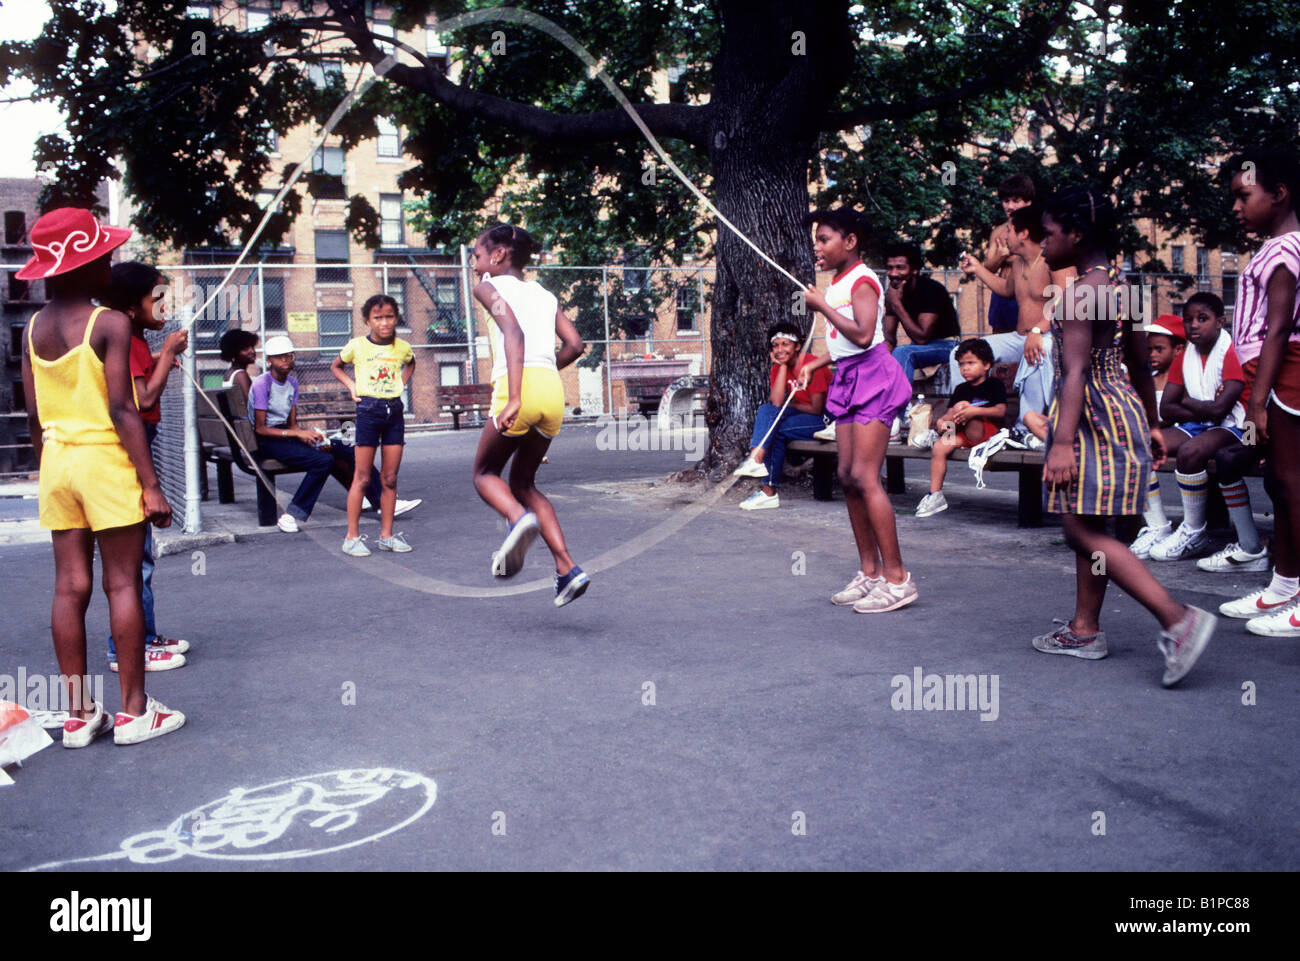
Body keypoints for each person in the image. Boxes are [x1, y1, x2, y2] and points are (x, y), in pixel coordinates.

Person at [18, 208, 185, 745]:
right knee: (122, 582)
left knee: (69, 586)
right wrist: (151, 483)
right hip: (104, 462)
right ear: (84, 267)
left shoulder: (33, 328)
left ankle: (78, 714)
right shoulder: (108, 323)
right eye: (103, 258)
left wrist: (52, 460)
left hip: (57, 461)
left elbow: (34, 416)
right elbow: (122, 408)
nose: (110, 267)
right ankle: (135, 712)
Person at [1036, 186, 1214, 687]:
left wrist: (1064, 442)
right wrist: (1153, 423)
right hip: (1124, 409)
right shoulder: (1125, 288)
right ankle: (1085, 629)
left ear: (1075, 234)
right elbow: (1139, 362)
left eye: (1048, 234)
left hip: (1089, 413)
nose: (1043, 244)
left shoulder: (1075, 296)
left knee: (1078, 529)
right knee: (1095, 525)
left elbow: (1074, 373)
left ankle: (1178, 619)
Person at [797, 207, 917, 613]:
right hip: (848, 375)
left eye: (825, 239)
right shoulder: (837, 283)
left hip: (873, 377)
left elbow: (866, 336)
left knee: (866, 477)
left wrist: (821, 308)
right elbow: (844, 345)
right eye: (816, 239)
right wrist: (815, 364)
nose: (818, 246)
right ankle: (871, 572)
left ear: (850, 241)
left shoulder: (862, 280)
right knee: (847, 476)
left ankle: (898, 578)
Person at [470, 223, 590, 606]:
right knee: (524, 482)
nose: (474, 264)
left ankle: (518, 519)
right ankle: (567, 568)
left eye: (477, 255)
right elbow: (575, 345)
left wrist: (516, 396)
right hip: (551, 390)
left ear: (498, 255)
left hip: (516, 385)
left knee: (485, 474)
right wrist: (542, 373)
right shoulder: (544, 294)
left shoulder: (488, 287)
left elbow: (513, 334)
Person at [1218, 147, 1300, 636]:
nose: (1236, 207)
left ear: (1279, 194)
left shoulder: (1286, 250)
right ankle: (1286, 582)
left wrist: (1256, 399)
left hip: (1283, 372)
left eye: (1243, 196)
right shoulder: (1275, 247)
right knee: (1278, 483)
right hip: (1268, 373)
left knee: (1292, 482)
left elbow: (1276, 329)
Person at [102, 261, 191, 673]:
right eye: (156, 298)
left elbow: (140, 375)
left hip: (140, 446)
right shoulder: (129, 341)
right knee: (137, 557)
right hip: (135, 452)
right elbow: (145, 399)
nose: (163, 305)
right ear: (132, 307)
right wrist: (168, 353)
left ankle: (147, 635)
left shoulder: (133, 340)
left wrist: (157, 356)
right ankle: (129, 648)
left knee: (141, 554)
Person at [248, 335, 418, 532]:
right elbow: (260, 429)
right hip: (266, 441)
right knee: (322, 461)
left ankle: (385, 501)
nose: (286, 361)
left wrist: (310, 435)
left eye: (289, 356)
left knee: (346, 448)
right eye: (280, 357)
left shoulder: (292, 383)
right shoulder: (262, 384)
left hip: (285, 436)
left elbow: (292, 425)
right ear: (269, 360)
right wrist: (297, 435)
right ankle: (291, 516)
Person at [1148, 293, 1263, 567]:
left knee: (1191, 453)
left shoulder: (1229, 351)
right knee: (1143, 445)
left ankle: (1194, 531)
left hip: (1239, 425)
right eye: (1188, 320)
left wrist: (1187, 401)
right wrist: (1202, 405)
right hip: (1201, 423)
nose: (1194, 326)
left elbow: (1222, 410)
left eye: (1202, 319)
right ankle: (1157, 526)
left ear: (1220, 321)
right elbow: (1167, 408)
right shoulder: (1185, 354)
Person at [331, 295, 416, 556]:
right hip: (368, 411)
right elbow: (336, 366)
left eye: (389, 316)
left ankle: (386, 536)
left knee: (389, 478)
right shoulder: (357, 346)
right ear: (368, 320)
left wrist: (401, 383)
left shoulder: (402, 347)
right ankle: (352, 538)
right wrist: (352, 386)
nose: (384, 322)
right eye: (378, 317)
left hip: (394, 413)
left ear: (396, 318)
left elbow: (411, 363)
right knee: (362, 477)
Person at [732, 320, 830, 509]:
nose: (779, 349)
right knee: (766, 411)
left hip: (824, 422)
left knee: (775, 429)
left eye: (785, 344)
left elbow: (817, 408)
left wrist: (789, 404)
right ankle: (756, 457)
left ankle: (767, 490)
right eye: (775, 345)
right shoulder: (778, 367)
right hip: (801, 416)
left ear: (797, 346)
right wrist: (783, 368)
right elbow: (776, 403)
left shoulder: (810, 364)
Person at [915, 338, 1007, 518]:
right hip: (963, 434)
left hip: (986, 432)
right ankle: (935, 494)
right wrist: (943, 421)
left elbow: (1000, 411)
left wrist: (973, 410)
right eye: (961, 364)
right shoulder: (961, 389)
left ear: (986, 365)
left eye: (971, 363)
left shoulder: (994, 385)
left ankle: (935, 434)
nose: (965, 368)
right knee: (940, 447)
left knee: (963, 407)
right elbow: (950, 414)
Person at [1128, 314, 1186, 557]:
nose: (1152, 354)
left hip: (1181, 435)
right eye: (1149, 349)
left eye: (1159, 349)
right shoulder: (1148, 381)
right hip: (1155, 435)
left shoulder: (1185, 377)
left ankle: (1160, 526)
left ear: (1178, 349)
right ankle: (1155, 524)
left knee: (1143, 450)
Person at [881, 243, 962, 397]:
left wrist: (897, 304)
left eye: (900, 267)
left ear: (914, 270)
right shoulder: (892, 294)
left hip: (948, 346)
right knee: (877, 356)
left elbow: (922, 337)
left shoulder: (931, 289)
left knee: (904, 352)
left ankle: (897, 412)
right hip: (918, 349)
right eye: (889, 268)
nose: (893, 273)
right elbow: (889, 340)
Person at [984, 174, 1037, 334]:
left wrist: (1012, 255)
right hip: (1002, 295)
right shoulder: (999, 232)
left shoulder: (1038, 228)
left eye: (1016, 200)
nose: (1010, 206)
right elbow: (988, 268)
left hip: (1029, 292)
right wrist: (1002, 256)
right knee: (999, 345)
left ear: (1028, 202)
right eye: (1006, 201)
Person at [219, 329, 259, 397]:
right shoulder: (241, 375)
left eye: (252, 347)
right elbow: (250, 404)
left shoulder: (231, 372)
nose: (252, 351)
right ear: (234, 352)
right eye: (245, 349)